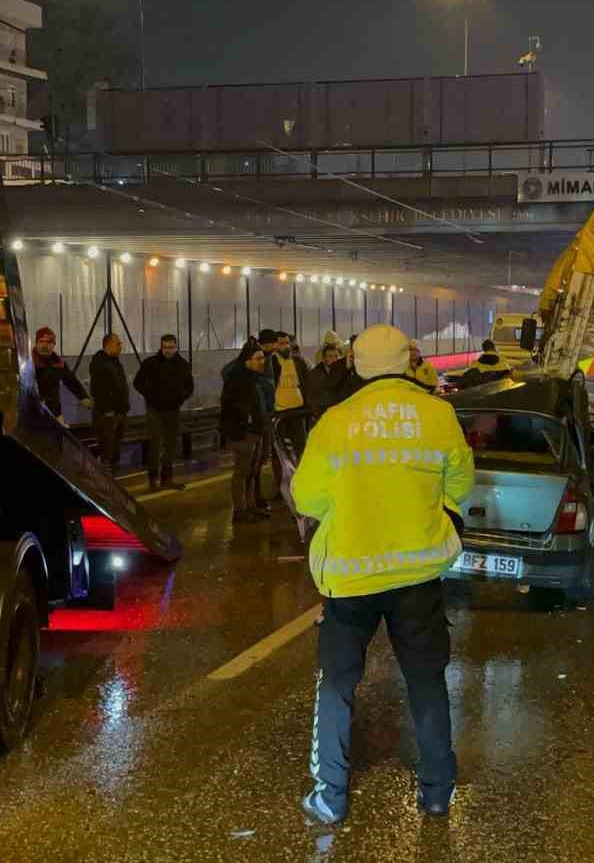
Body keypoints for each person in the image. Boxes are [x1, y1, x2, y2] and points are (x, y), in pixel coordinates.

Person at [291, 324, 475, 825]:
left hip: (352, 578)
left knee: (337, 684)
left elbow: (306, 498)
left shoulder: (336, 420)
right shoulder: (438, 415)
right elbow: (461, 481)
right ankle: (437, 792)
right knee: (426, 681)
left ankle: (331, 796)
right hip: (418, 576)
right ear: (408, 360)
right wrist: (443, 520)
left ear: (354, 362)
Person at [133, 334, 195, 491]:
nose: (168, 351)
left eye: (171, 347)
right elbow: (138, 383)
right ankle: (153, 480)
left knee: (171, 445)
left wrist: (180, 398)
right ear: (161, 347)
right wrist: (150, 395)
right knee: (155, 443)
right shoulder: (150, 363)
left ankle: (167, 479)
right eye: (165, 347)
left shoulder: (183, 365)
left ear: (175, 347)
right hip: (155, 409)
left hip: (173, 409)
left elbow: (189, 387)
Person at [220, 341, 269, 524]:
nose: (262, 362)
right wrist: (241, 423)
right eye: (258, 359)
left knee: (252, 470)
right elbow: (230, 407)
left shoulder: (255, 379)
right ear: (247, 361)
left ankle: (251, 506)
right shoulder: (237, 380)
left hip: (255, 430)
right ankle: (239, 510)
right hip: (243, 432)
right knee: (242, 471)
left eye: (262, 358)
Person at [267, 330, 310, 485]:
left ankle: (304, 481)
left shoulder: (298, 361)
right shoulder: (271, 362)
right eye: (281, 343)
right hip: (279, 413)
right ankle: (281, 484)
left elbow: (306, 382)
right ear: (275, 345)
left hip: (298, 411)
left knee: (301, 446)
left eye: (287, 343)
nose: (285, 346)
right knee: (280, 451)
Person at [32, 327, 93, 425]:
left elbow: (71, 382)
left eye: (48, 342)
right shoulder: (27, 363)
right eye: (41, 341)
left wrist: (84, 398)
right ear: (36, 343)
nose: (44, 345)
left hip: (54, 413)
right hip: (32, 414)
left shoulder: (59, 364)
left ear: (53, 345)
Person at [90, 333, 130, 472]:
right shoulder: (100, 362)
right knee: (107, 448)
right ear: (108, 345)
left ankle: (114, 478)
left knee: (115, 448)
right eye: (118, 343)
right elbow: (98, 389)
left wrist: (124, 408)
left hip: (119, 412)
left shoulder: (114, 361)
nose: (121, 346)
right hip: (107, 413)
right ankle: (105, 480)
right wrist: (107, 409)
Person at [305, 343, 350, 416]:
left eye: (336, 356)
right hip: (322, 412)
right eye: (330, 356)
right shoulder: (314, 374)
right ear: (323, 359)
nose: (334, 359)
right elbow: (311, 397)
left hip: (340, 411)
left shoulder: (343, 372)